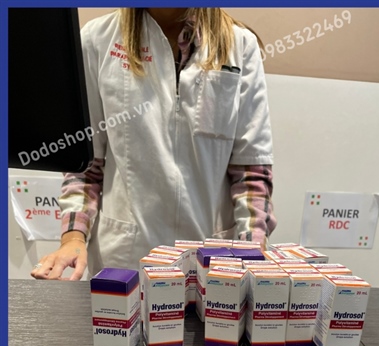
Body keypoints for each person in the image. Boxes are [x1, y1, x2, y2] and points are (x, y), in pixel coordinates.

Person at [31, 8, 276, 281]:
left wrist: (252, 250)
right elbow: (86, 166)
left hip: (210, 266)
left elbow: (251, 171)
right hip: (125, 262)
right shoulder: (97, 40)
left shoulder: (240, 46)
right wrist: (73, 238)